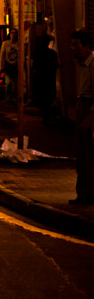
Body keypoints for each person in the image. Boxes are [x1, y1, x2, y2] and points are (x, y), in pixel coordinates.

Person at [68, 30, 94, 204]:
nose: (73, 48)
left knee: (86, 154)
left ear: (86, 46)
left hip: (88, 109)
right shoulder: (82, 63)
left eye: (76, 44)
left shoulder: (93, 64)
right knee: (81, 153)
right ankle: (84, 192)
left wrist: (89, 116)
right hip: (82, 106)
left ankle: (87, 194)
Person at [32, 28, 59, 125]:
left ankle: (45, 115)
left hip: (40, 77)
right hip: (49, 78)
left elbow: (34, 66)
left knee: (41, 96)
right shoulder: (52, 53)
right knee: (48, 97)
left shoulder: (36, 52)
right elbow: (56, 66)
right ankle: (47, 115)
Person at [0, 28, 20, 102]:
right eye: (12, 33)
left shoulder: (19, 44)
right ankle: (8, 97)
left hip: (16, 65)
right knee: (8, 83)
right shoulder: (5, 43)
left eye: (15, 33)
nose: (13, 35)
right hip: (8, 65)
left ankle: (14, 98)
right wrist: (1, 65)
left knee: (16, 84)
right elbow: (2, 55)